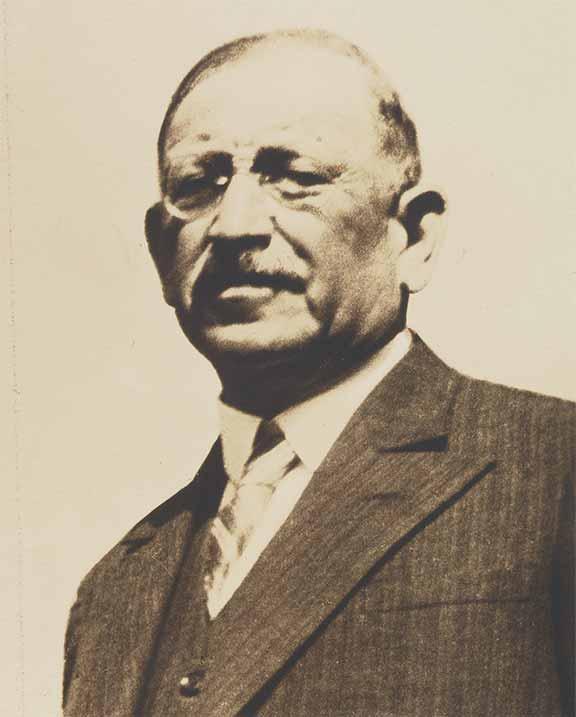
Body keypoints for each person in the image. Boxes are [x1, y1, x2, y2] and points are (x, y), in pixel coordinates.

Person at [63, 29, 574, 717]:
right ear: (161, 253)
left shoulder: (552, 470)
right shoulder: (115, 591)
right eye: (199, 184)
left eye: (297, 177)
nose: (234, 225)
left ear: (413, 236)